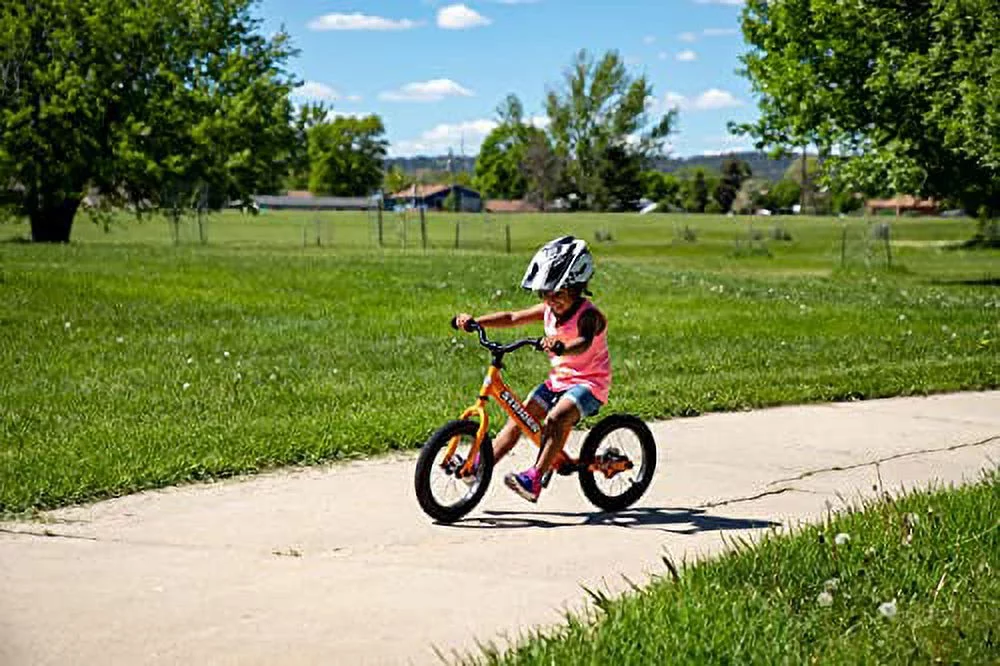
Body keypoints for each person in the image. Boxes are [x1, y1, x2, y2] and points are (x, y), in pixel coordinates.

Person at [454, 236, 611, 503]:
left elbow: (583, 343)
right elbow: (513, 317)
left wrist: (561, 345)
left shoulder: (588, 315)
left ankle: (535, 478)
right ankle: (480, 464)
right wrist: (474, 322)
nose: (551, 300)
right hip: (559, 381)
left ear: (577, 286)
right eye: (544, 294)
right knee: (520, 418)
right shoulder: (549, 309)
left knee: (556, 419)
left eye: (558, 293)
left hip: (590, 384)